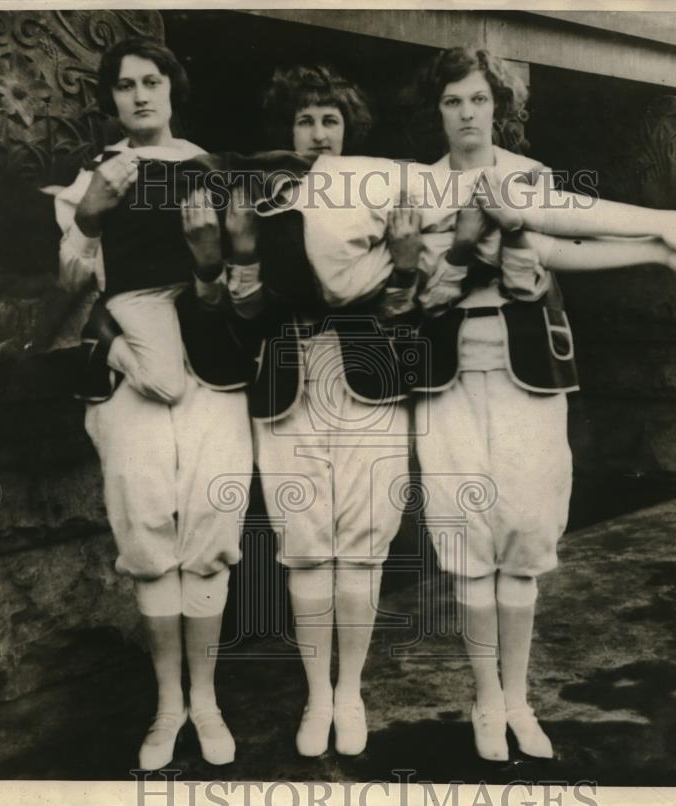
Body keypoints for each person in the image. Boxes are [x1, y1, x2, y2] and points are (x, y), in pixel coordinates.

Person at [406, 47, 676, 763]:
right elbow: (416, 286)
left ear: (498, 107)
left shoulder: (528, 177)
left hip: (526, 373)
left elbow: (564, 251)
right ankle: (484, 698)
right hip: (450, 378)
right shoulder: (418, 189)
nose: (467, 114)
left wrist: (654, 254)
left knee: (523, 533)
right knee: (467, 539)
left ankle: (517, 696)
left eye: (479, 100)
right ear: (438, 111)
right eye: (453, 102)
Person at [53, 37, 257, 770]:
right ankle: (167, 705)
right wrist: (91, 218)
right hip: (132, 370)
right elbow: (69, 292)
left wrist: (210, 266)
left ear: (174, 88)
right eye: (125, 86)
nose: (140, 96)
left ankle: (205, 700)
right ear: (110, 100)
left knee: (208, 526)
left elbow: (248, 291)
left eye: (152, 81)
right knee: (144, 526)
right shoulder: (91, 178)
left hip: (210, 370)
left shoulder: (211, 170)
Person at [236, 65, 422, 758]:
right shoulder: (265, 200)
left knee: (364, 543)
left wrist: (403, 267)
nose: (319, 133)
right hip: (289, 381)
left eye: (331, 120)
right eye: (306, 120)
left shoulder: (376, 200)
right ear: (288, 131)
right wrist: (244, 256)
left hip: (368, 376)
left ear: (350, 132)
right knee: (306, 546)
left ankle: (352, 691)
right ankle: (317, 694)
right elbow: (246, 309)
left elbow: (407, 313)